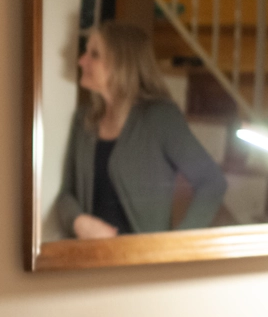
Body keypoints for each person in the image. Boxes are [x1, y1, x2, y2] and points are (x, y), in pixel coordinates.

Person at [56, 21, 227, 238]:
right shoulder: (83, 120)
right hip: (89, 262)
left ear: (122, 63)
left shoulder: (160, 118)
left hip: (141, 265)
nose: (81, 60)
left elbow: (212, 181)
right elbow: (66, 193)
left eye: (94, 54)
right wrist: (79, 222)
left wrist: (179, 243)